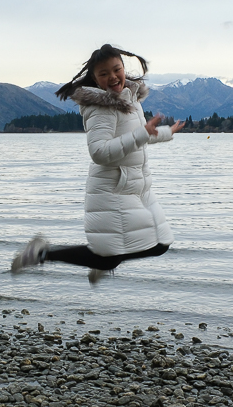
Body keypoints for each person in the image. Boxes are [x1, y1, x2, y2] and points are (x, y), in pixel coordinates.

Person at [12, 44, 184, 273]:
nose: (112, 77)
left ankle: (95, 262)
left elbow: (138, 136)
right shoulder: (101, 108)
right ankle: (40, 253)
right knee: (117, 254)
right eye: (104, 74)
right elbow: (99, 152)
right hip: (111, 189)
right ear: (95, 79)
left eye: (116, 70)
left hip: (134, 187)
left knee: (159, 245)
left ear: (124, 68)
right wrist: (142, 133)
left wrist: (164, 133)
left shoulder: (130, 100)